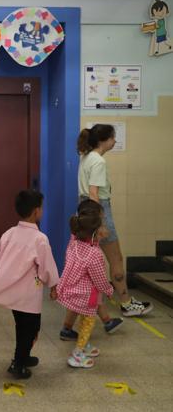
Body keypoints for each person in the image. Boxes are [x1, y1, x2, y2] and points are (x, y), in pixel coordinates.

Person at [60, 124, 152, 341]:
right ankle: (127, 303)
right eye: (113, 138)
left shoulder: (86, 156)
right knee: (116, 258)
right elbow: (94, 193)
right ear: (106, 140)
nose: (114, 141)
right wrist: (98, 223)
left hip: (83, 209)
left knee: (84, 269)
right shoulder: (98, 161)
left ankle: (70, 324)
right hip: (97, 210)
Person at [0, 190, 60, 379]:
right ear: (36, 211)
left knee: (22, 326)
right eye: (41, 207)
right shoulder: (40, 239)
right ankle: (18, 363)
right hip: (28, 295)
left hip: (14, 295)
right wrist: (53, 285)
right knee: (31, 328)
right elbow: (46, 267)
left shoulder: (8, 233)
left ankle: (23, 357)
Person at [57, 199, 114, 368]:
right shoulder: (94, 254)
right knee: (88, 323)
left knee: (83, 320)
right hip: (88, 296)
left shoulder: (74, 243)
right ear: (96, 230)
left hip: (74, 291)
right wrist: (109, 290)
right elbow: (100, 280)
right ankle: (77, 354)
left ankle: (84, 343)